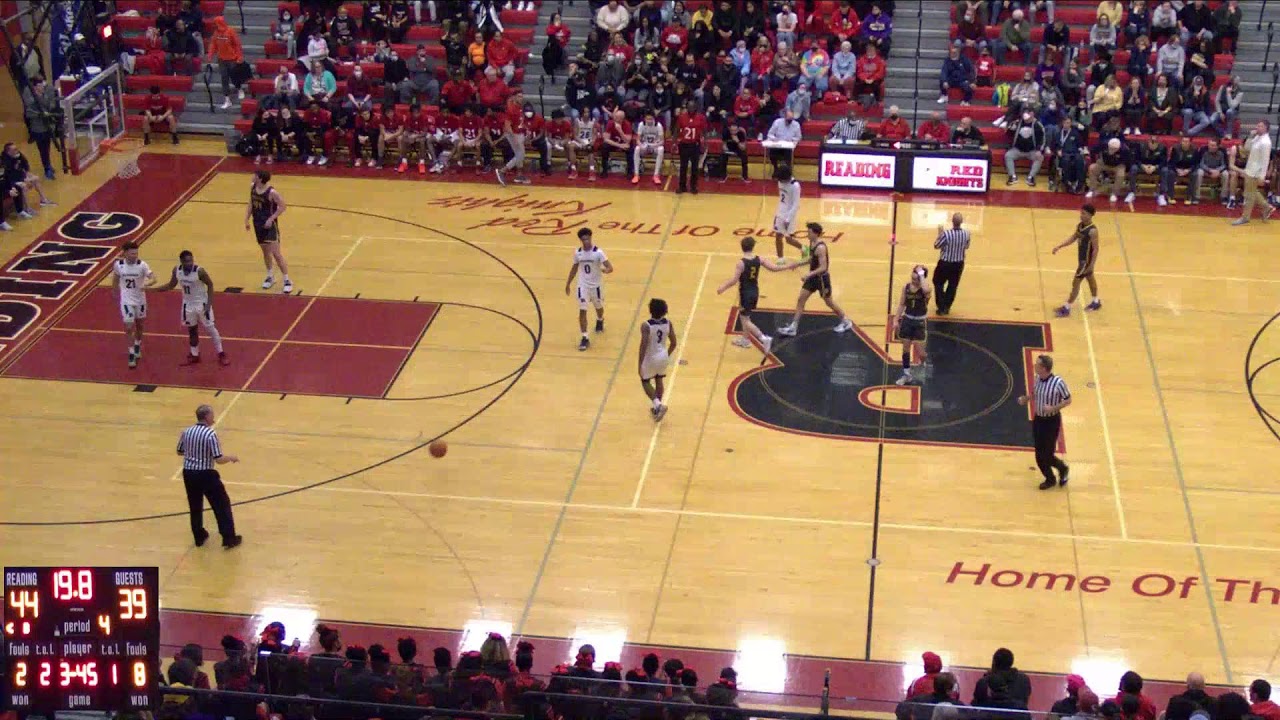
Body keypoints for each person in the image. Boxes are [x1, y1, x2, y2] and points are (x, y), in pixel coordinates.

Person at [177, 404, 242, 549]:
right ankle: (229, 538)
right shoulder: (210, 434)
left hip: (189, 473)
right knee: (221, 505)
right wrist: (231, 458)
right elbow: (218, 459)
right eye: (212, 415)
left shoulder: (187, 431)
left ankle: (199, 536)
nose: (214, 417)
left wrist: (193, 453)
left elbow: (180, 451)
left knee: (195, 505)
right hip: (206, 474)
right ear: (206, 416)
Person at [150, 250, 229, 366]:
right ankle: (194, 354)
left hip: (201, 304)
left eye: (191, 260)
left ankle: (221, 353)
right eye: (187, 261)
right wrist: (154, 290)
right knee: (192, 330)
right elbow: (171, 285)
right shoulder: (177, 270)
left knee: (211, 328)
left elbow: (210, 284)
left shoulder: (199, 271)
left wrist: (209, 304)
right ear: (181, 261)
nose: (190, 263)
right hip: (188, 305)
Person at [717, 236, 790, 354]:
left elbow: (734, 280)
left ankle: (763, 338)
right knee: (745, 316)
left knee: (745, 320)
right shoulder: (759, 259)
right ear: (753, 247)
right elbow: (774, 268)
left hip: (745, 293)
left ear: (742, 247)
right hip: (755, 291)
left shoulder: (741, 263)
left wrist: (723, 287)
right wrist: (789, 266)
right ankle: (745, 339)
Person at [777, 222, 853, 337]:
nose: (807, 234)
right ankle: (793, 327)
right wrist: (797, 263)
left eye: (809, 232)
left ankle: (846, 321)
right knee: (801, 299)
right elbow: (811, 259)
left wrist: (808, 274)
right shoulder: (812, 243)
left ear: (816, 234)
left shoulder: (821, 247)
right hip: (813, 278)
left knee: (829, 302)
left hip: (822, 279)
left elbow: (823, 267)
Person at [1018, 355, 1071, 489]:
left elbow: (1068, 400)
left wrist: (1053, 408)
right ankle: (1050, 478)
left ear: (1043, 368)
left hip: (1051, 422)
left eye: (1037, 364)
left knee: (1047, 454)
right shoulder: (1037, 379)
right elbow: (1035, 394)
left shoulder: (1058, 382)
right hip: (1039, 420)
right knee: (1039, 454)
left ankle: (1062, 468)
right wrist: (1026, 399)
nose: (1034, 366)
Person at [564, 227, 614, 351]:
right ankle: (585, 337)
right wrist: (568, 283)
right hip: (583, 285)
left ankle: (600, 319)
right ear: (581, 240)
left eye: (587, 239)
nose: (586, 241)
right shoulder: (578, 253)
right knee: (582, 310)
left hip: (596, 286)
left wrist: (605, 270)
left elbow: (610, 267)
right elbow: (574, 268)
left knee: (599, 307)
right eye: (583, 239)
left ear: (590, 238)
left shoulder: (598, 252)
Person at [245, 170, 292, 293]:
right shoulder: (253, 187)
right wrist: (246, 219)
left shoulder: (271, 192)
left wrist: (271, 219)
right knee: (265, 252)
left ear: (260, 178)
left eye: (255, 175)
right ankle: (270, 276)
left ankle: (287, 280)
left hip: (270, 226)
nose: (252, 176)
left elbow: (283, 206)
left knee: (276, 254)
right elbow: (251, 203)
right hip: (258, 224)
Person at [112, 241, 156, 369]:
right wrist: (114, 292)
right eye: (132, 253)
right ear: (125, 253)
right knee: (129, 326)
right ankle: (131, 353)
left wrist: (147, 284)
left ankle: (137, 344)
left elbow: (154, 278)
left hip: (140, 300)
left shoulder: (142, 265)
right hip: (126, 300)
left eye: (136, 253)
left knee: (140, 325)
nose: (134, 256)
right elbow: (115, 279)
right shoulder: (119, 265)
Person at [1051, 203, 1101, 317]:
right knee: (1091, 279)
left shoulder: (1092, 231)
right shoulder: (1080, 226)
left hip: (1085, 262)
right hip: (1082, 259)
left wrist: (1091, 265)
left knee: (1075, 283)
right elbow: (1073, 237)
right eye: (1081, 213)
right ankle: (1096, 301)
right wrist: (1060, 246)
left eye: (1084, 214)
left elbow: (1096, 249)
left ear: (1090, 215)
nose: (1081, 215)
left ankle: (1066, 308)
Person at [638, 298, 676, 421]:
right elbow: (674, 343)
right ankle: (656, 409)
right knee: (659, 379)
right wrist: (666, 355)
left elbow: (643, 345)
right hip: (663, 355)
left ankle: (658, 405)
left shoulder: (646, 325)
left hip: (651, 357)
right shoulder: (668, 323)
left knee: (645, 381)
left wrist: (640, 363)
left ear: (650, 310)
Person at [893, 265, 932, 386]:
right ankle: (906, 374)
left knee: (921, 353)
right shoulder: (906, 288)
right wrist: (896, 319)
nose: (913, 281)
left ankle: (923, 363)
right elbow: (902, 304)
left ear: (921, 279)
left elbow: (926, 290)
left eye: (916, 279)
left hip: (919, 322)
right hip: (908, 320)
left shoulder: (926, 289)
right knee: (906, 349)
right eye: (912, 278)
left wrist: (921, 275)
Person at [1231, 120, 1274, 226]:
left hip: (1256, 171)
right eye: (1257, 125)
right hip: (1250, 169)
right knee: (1252, 192)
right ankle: (1267, 207)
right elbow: (1247, 148)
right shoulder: (1258, 138)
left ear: (1266, 128)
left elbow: (1265, 160)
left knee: (1249, 195)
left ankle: (1245, 217)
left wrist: (1262, 176)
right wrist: (1251, 136)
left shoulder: (1266, 142)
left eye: (1260, 126)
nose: (1257, 127)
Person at [20, 76, 59, 180]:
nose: (42, 87)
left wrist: (42, 96)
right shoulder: (29, 95)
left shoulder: (46, 91)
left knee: (47, 147)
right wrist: (38, 97)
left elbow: (50, 104)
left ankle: (48, 165)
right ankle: (47, 168)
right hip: (38, 128)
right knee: (43, 149)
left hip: (48, 125)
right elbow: (29, 112)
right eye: (39, 85)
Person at [933, 213, 969, 315]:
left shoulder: (947, 234)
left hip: (945, 263)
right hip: (958, 264)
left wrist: (940, 234)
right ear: (961, 222)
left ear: (952, 221)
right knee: (953, 285)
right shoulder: (966, 234)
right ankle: (947, 306)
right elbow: (967, 246)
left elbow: (936, 245)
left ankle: (941, 306)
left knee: (937, 282)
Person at [675, 100, 708, 194]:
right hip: (684, 144)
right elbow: (677, 130)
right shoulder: (681, 117)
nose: (691, 108)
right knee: (683, 166)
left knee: (695, 167)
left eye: (693, 107)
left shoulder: (701, 117)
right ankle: (682, 186)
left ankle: (693, 186)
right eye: (689, 107)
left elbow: (704, 131)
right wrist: (674, 143)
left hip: (695, 145)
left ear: (696, 107)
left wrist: (705, 143)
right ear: (687, 107)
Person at [773, 164, 803, 260]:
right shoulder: (780, 182)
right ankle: (780, 259)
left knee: (788, 239)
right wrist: (778, 214)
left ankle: (804, 248)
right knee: (778, 236)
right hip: (780, 212)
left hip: (790, 214)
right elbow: (782, 199)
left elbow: (796, 204)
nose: (780, 181)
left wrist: (788, 219)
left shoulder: (795, 186)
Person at [632, 111, 665, 185]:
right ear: (645, 119)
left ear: (654, 118)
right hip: (645, 145)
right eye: (647, 119)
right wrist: (641, 146)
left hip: (655, 146)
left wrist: (654, 145)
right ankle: (636, 174)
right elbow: (638, 140)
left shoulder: (658, 125)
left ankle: (656, 175)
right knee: (637, 149)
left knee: (661, 149)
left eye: (651, 119)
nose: (649, 121)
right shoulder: (641, 124)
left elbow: (662, 141)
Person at [568, 113, 599, 180]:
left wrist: (591, 142)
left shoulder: (593, 121)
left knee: (591, 148)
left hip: (589, 141)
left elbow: (595, 135)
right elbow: (575, 136)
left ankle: (592, 171)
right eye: (585, 112)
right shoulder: (577, 121)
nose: (586, 114)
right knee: (571, 146)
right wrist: (582, 142)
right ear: (582, 113)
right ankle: (573, 170)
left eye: (588, 112)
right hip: (579, 140)